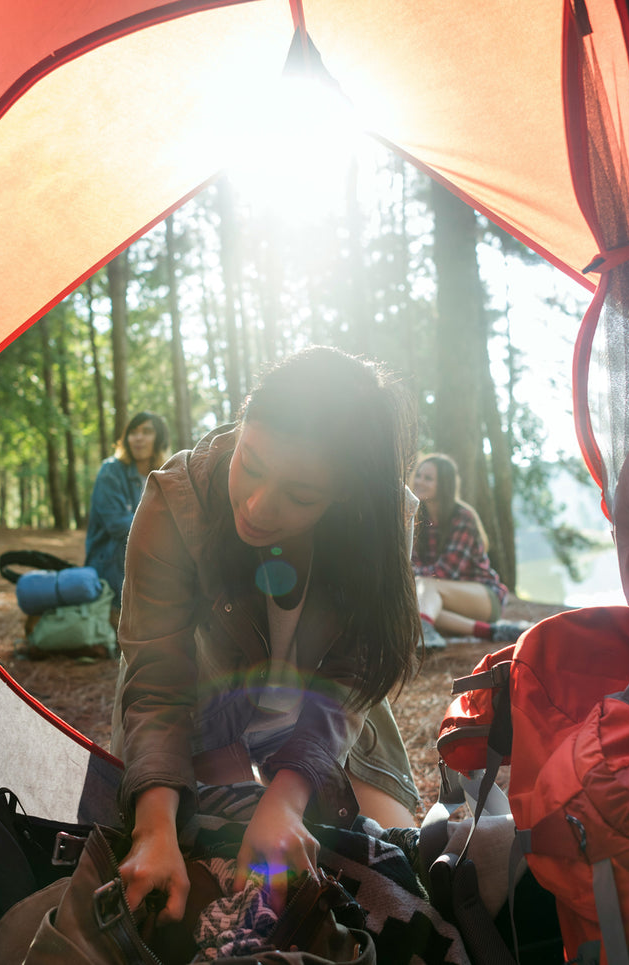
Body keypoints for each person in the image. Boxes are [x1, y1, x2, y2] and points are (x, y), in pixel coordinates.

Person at [111, 346, 423, 926]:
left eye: (300, 495)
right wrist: (154, 828)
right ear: (242, 422)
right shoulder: (175, 503)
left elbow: (351, 680)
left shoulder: (382, 521)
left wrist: (288, 796)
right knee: (206, 863)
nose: (257, 505)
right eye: (249, 464)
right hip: (201, 710)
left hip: (329, 715)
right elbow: (156, 679)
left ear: (345, 494)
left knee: (397, 863)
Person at [410, 453, 527, 646]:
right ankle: (490, 632)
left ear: (444, 485)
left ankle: (424, 633)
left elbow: (445, 572)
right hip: (433, 596)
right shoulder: (416, 519)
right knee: (416, 603)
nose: (419, 481)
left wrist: (413, 578)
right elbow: (412, 564)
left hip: (482, 597)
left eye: (428, 478)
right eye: (419, 475)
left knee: (424, 585)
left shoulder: (463, 517)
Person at [84, 411, 169, 609]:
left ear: (159, 439)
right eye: (133, 432)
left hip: (149, 569)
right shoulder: (111, 471)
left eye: (147, 431)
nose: (138, 437)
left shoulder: (163, 475)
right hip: (112, 569)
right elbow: (119, 525)